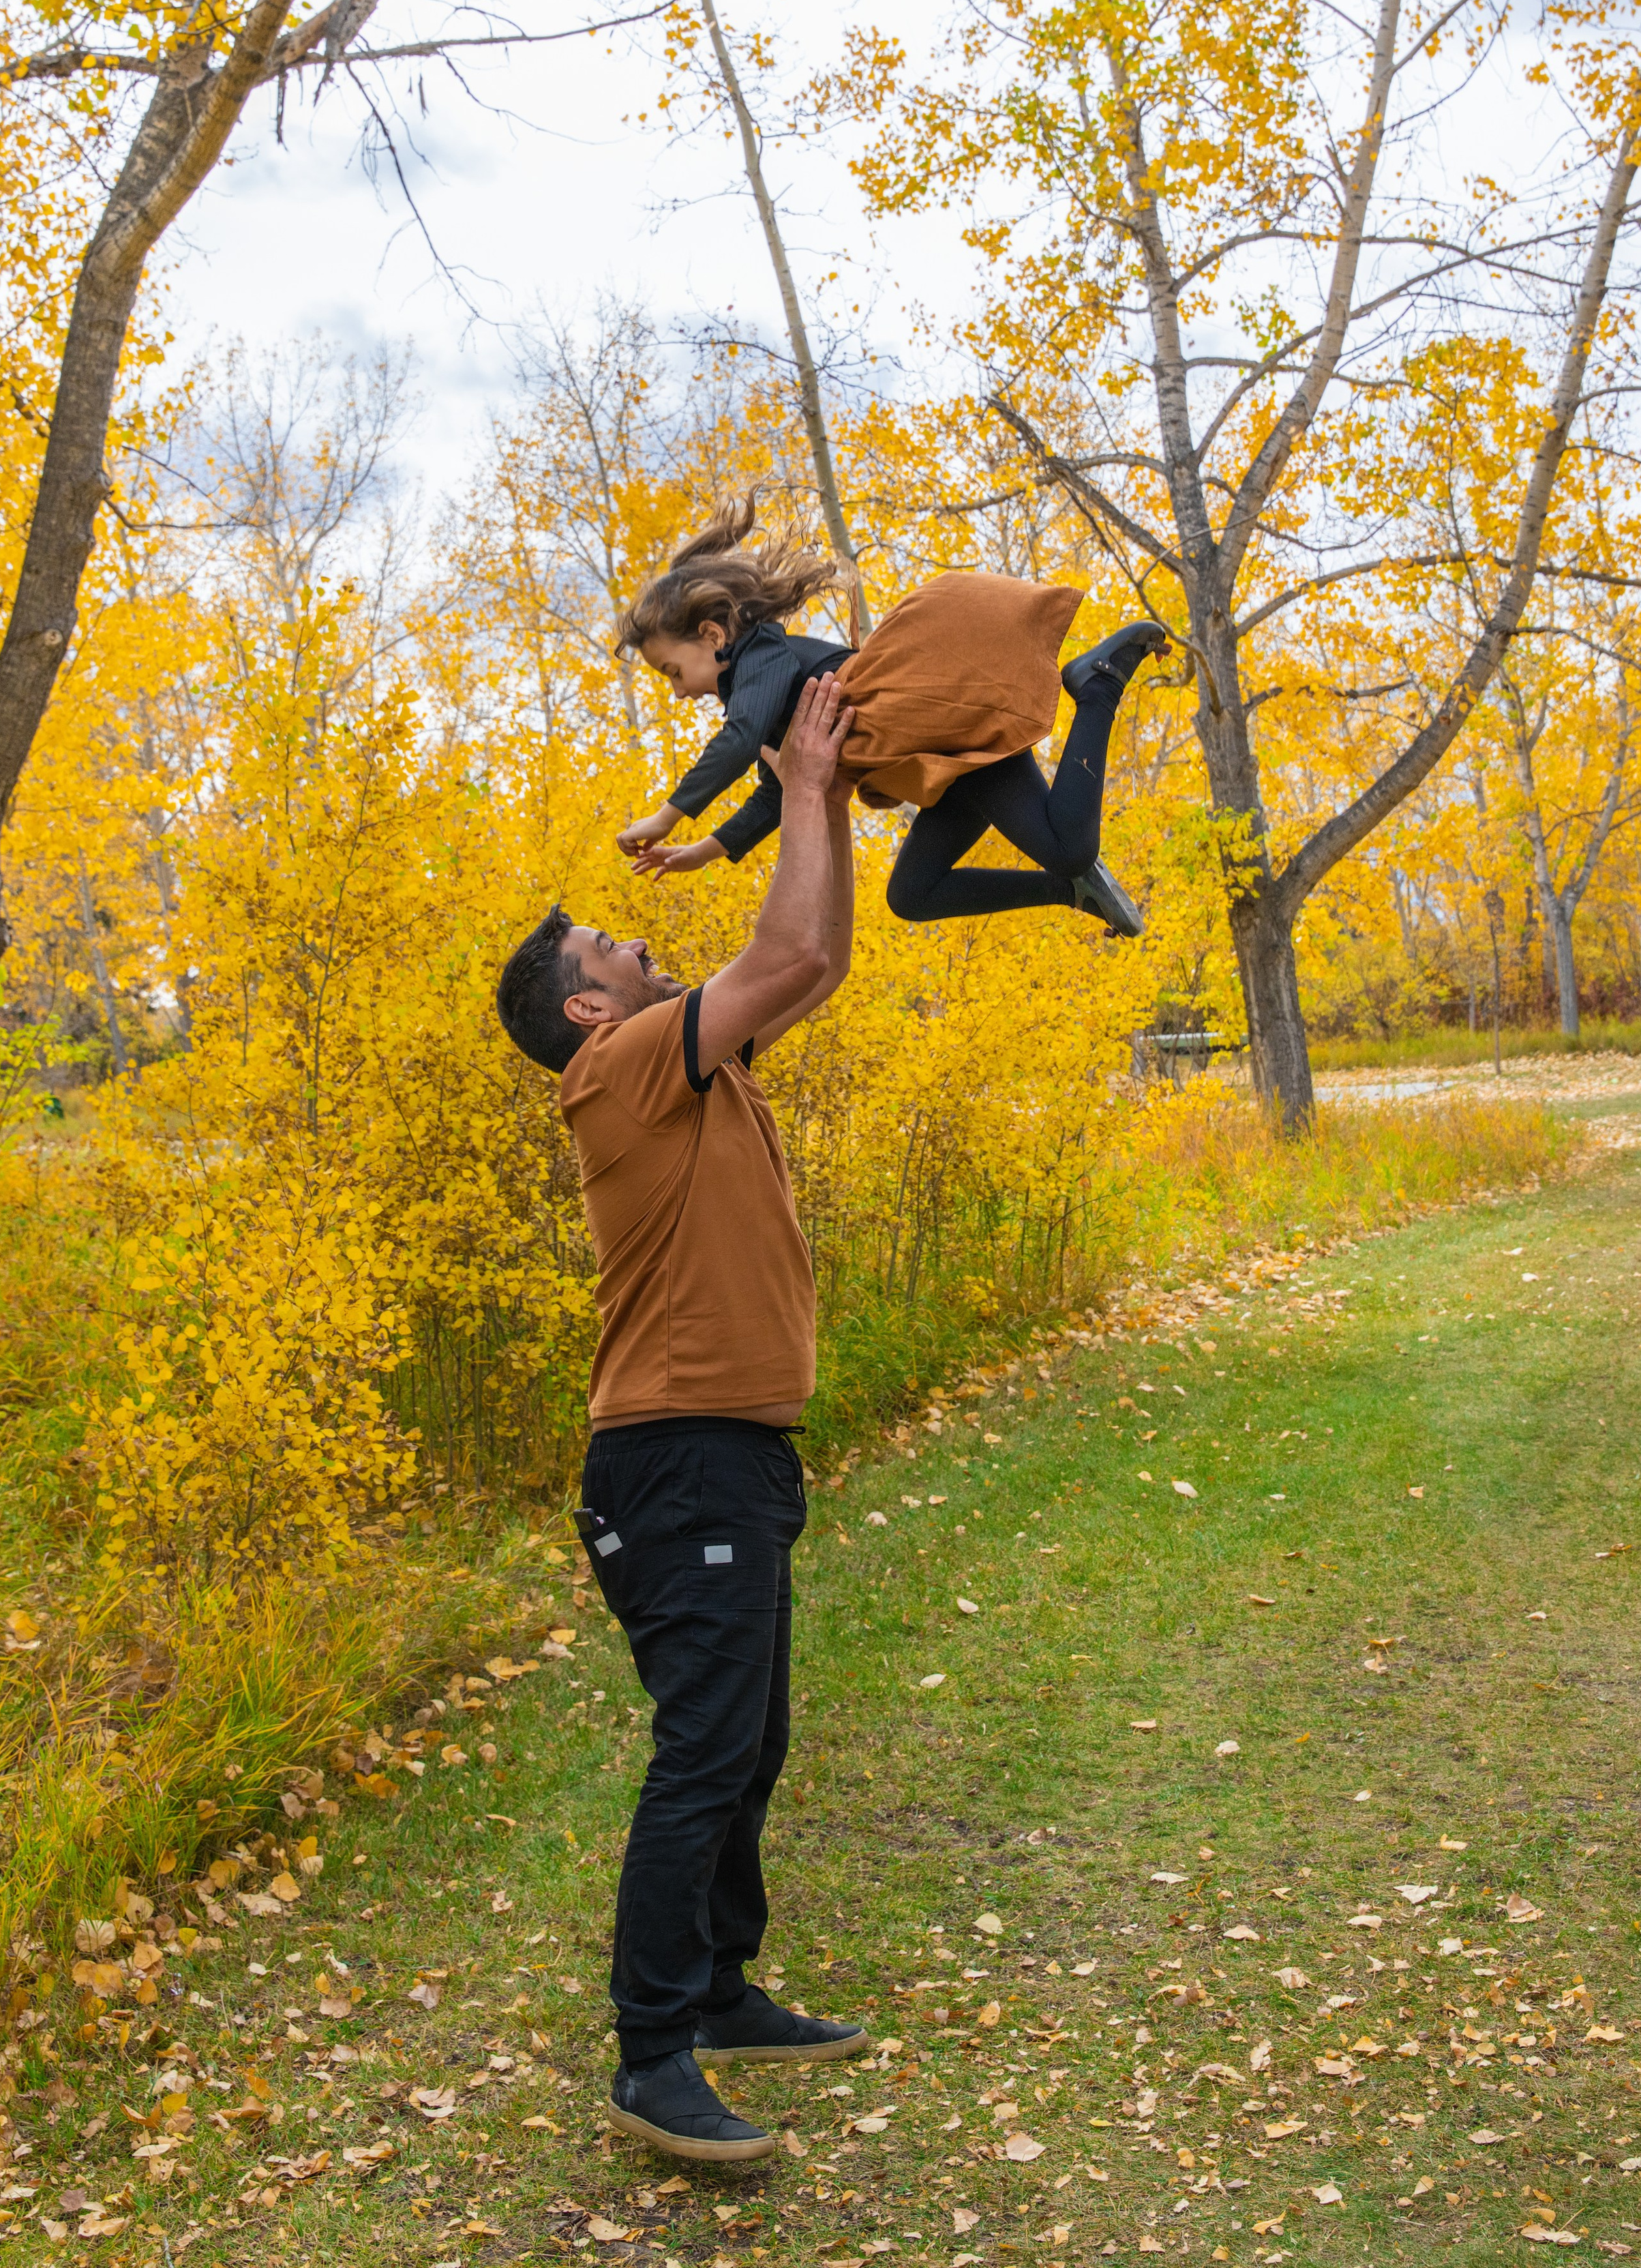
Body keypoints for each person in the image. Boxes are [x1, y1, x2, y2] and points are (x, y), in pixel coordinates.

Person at [495, 673, 868, 2166]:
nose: (636, 938)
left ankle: (716, 1990)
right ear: (589, 1006)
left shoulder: (685, 1059)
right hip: (675, 1465)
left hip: (732, 1458)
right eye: (609, 944)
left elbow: (814, 957)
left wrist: (821, 793)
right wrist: (788, 790)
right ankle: (652, 2055)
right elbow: (778, 947)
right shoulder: (624, 1065)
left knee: (749, 1742)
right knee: (702, 1752)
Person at [614, 489, 1168, 935]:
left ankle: (1097, 689)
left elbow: (739, 739)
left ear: (711, 635)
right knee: (912, 896)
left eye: (673, 672)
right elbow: (775, 793)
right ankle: (1071, 892)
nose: (680, 692)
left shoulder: (758, 660)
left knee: (1069, 848)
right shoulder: (762, 693)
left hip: (946, 731)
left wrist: (667, 815)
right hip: (935, 766)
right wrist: (702, 852)